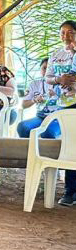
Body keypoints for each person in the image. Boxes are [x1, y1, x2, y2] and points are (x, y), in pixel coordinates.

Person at [42, 21, 76, 206]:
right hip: (65, 105)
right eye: (63, 32)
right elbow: (47, 79)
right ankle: (70, 191)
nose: (66, 35)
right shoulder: (56, 55)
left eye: (70, 32)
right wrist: (59, 79)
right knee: (71, 144)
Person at [18, 58, 58, 138]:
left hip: (58, 119)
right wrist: (34, 100)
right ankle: (30, 150)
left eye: (49, 68)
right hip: (41, 117)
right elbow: (23, 105)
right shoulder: (34, 84)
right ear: (40, 69)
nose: (47, 71)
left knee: (48, 132)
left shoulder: (62, 84)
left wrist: (57, 96)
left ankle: (46, 151)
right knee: (22, 127)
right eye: (44, 68)